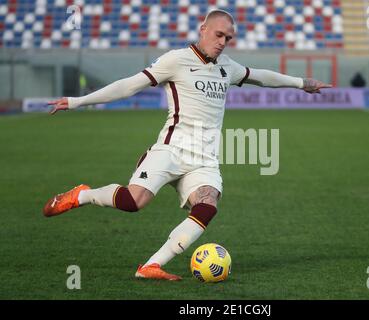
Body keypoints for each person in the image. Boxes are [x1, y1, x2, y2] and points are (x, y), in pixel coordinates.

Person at [43, 9, 332, 281]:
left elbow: (260, 76)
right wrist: (78, 101)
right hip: (171, 149)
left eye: (228, 38)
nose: (223, 42)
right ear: (203, 29)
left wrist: (301, 82)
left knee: (207, 204)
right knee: (134, 203)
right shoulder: (176, 60)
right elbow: (129, 85)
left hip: (204, 158)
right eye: (218, 35)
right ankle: (82, 195)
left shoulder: (226, 67)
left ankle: (151, 265)